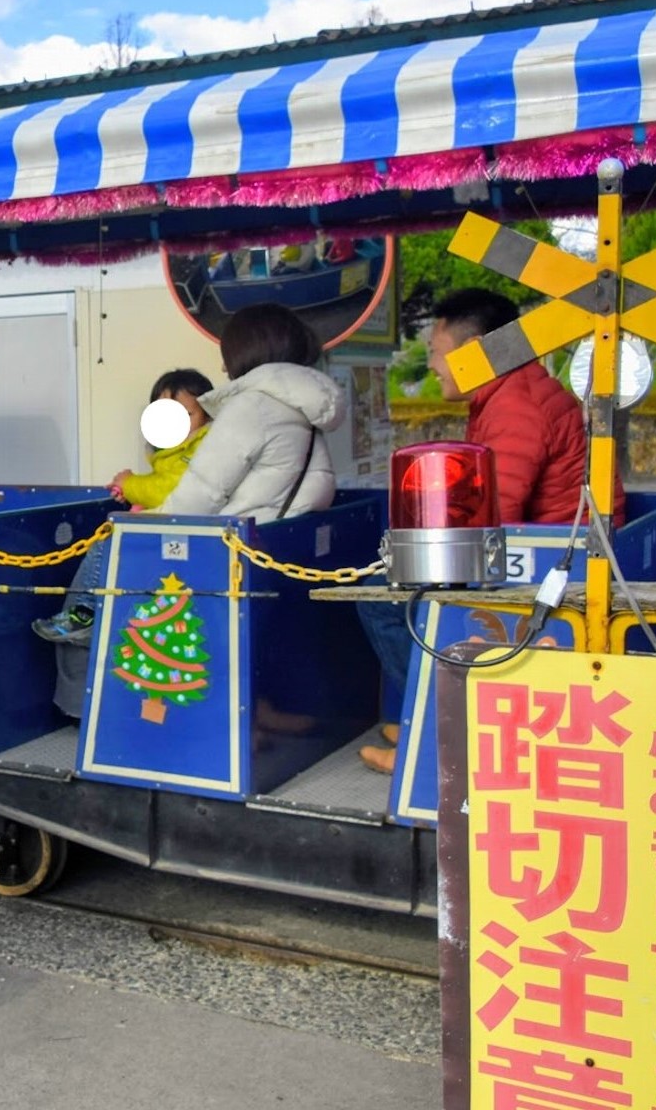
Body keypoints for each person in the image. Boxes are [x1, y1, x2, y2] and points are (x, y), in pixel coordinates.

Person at [355, 287, 624, 774]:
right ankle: (424, 719)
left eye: (435, 351)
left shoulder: (515, 405)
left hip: (554, 564)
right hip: (547, 550)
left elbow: (497, 510)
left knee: (383, 600)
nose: (432, 365)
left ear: (474, 349)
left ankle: (435, 734)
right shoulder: (508, 393)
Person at [34, 305, 345, 645]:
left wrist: (143, 520)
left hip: (231, 550)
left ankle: (83, 617)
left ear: (248, 350)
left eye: (227, 353)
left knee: (111, 534)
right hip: (272, 543)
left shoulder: (252, 407)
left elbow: (199, 493)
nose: (224, 366)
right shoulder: (299, 408)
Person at [108, 368, 214, 510]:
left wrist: (129, 485)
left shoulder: (204, 447)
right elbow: (161, 486)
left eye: (186, 414)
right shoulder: (166, 453)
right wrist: (132, 497)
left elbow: (173, 492)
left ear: (208, 415)